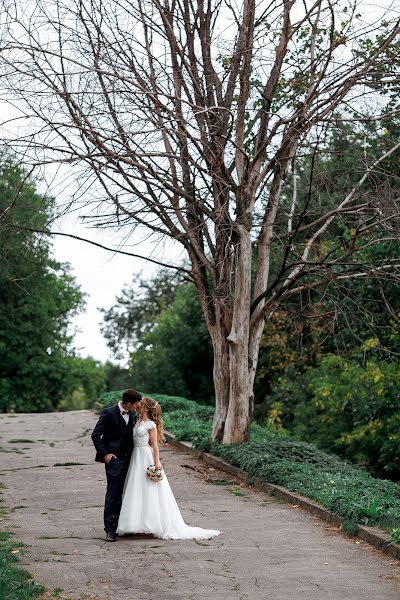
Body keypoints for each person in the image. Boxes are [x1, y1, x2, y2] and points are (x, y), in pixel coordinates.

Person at [117, 396, 220, 540]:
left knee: (149, 489)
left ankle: (151, 524)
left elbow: (154, 446)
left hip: (146, 456)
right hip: (136, 457)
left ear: (145, 407)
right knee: (136, 488)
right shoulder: (137, 420)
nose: (138, 404)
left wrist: (157, 463)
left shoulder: (151, 425)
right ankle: (136, 524)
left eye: (141, 403)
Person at [91, 388, 142, 542]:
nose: (137, 407)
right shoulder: (108, 413)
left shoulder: (132, 413)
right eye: (136, 404)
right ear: (128, 403)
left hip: (131, 459)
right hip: (114, 459)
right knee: (113, 493)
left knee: (128, 492)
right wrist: (105, 454)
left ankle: (124, 526)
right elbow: (95, 435)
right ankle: (110, 529)